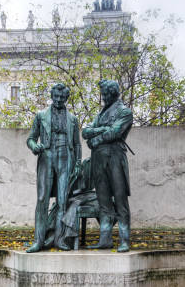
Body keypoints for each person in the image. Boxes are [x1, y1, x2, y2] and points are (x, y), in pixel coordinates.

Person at [26, 83, 81, 252]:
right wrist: (34, 146)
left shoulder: (72, 119)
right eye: (55, 96)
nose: (58, 100)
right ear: (52, 96)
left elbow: (77, 144)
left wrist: (78, 163)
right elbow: (31, 138)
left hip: (66, 157)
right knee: (42, 199)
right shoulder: (41, 115)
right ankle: (38, 241)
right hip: (47, 156)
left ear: (66, 98)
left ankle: (60, 239)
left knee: (62, 201)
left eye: (62, 97)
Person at [82, 79, 133, 252]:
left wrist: (95, 139)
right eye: (102, 94)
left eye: (105, 94)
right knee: (103, 201)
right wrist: (101, 130)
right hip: (98, 160)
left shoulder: (125, 112)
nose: (103, 98)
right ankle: (105, 239)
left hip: (115, 158)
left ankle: (124, 240)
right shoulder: (100, 114)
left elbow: (115, 132)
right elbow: (85, 131)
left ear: (113, 93)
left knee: (120, 200)